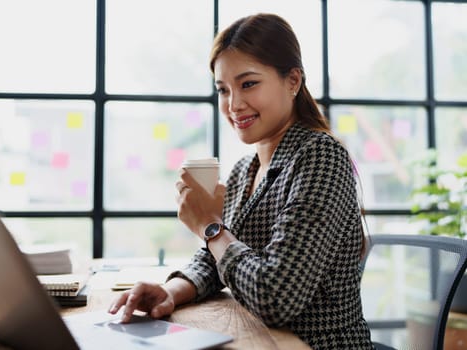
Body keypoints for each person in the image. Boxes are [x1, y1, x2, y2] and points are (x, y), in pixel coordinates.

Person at [109, 13, 373, 349]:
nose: (233, 104)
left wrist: (210, 225)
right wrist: (172, 291)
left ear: (293, 81)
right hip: (261, 340)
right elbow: (217, 258)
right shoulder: (244, 169)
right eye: (223, 90)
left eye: (248, 84)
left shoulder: (320, 157)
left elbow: (276, 298)